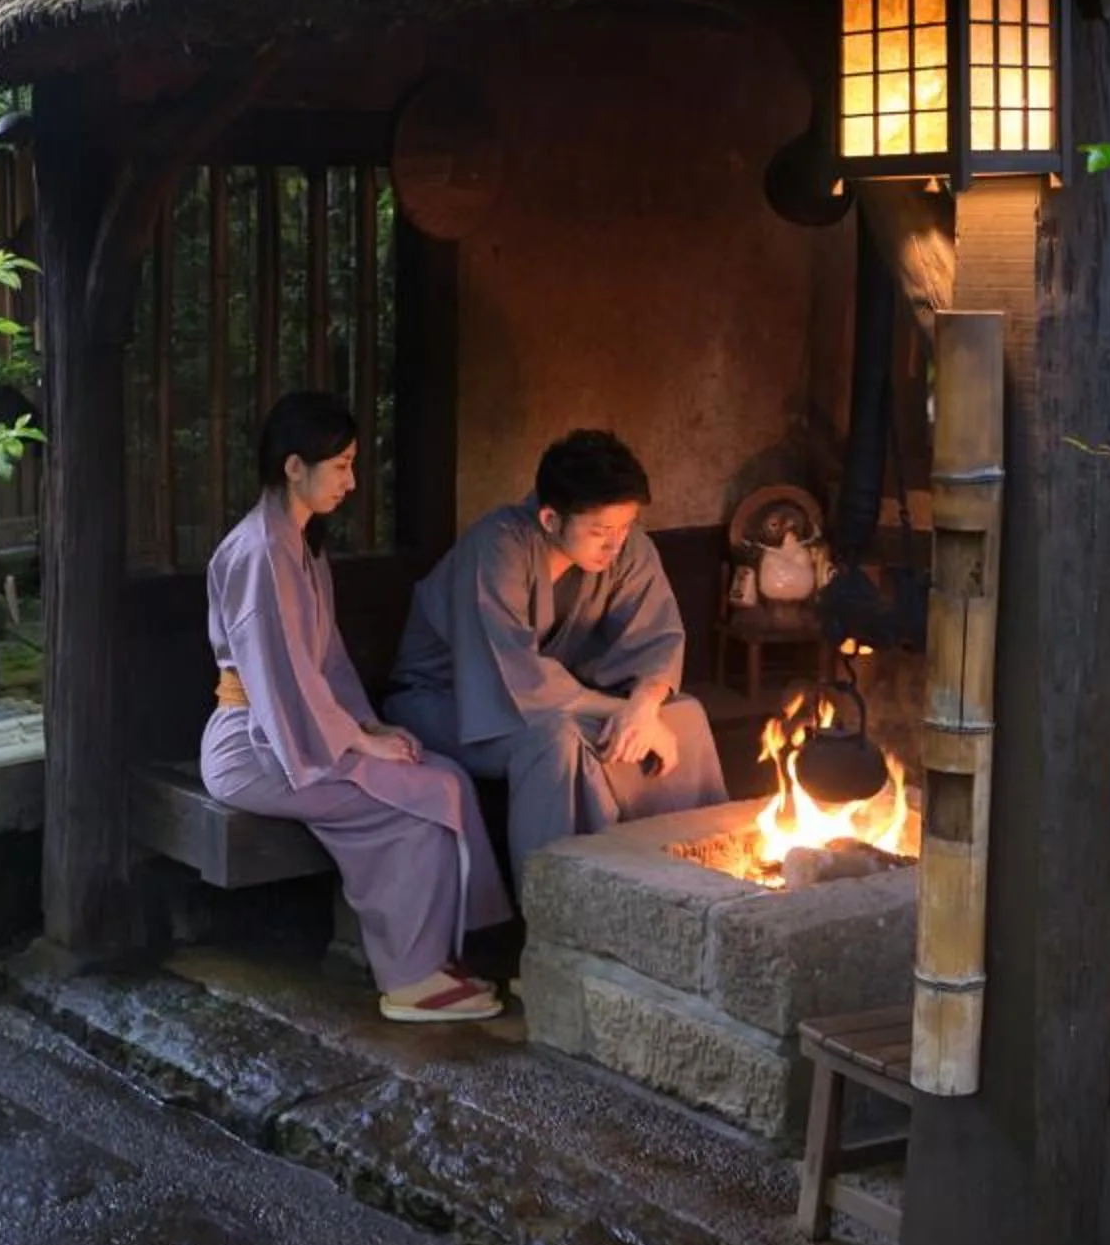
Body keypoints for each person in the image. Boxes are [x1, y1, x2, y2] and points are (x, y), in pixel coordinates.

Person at [204, 392, 512, 1022]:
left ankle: (454, 946)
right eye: (340, 465)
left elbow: (327, 663)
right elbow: (278, 679)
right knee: (418, 805)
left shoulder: (299, 543)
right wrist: (357, 742)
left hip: (295, 731)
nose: (351, 480)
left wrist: (366, 725)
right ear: (295, 467)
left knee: (446, 775)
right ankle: (410, 977)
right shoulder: (261, 551)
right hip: (257, 747)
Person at [384, 429, 724, 888]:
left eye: (624, 527)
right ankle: (560, 905)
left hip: (558, 699)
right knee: (555, 742)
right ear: (549, 518)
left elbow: (656, 641)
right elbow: (513, 678)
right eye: (600, 531)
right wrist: (625, 711)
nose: (615, 544)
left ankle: (684, 883)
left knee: (683, 716)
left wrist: (643, 709)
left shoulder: (627, 546)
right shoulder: (497, 547)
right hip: (452, 702)